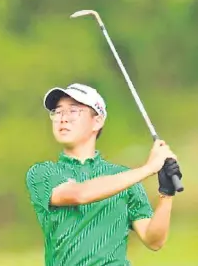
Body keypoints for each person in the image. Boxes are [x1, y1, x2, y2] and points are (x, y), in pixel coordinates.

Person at [26, 83, 182, 266]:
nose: (63, 119)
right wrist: (147, 169)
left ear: (97, 121)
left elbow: (153, 240)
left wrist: (167, 194)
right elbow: (79, 194)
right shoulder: (42, 173)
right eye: (57, 112)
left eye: (74, 111)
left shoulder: (123, 177)